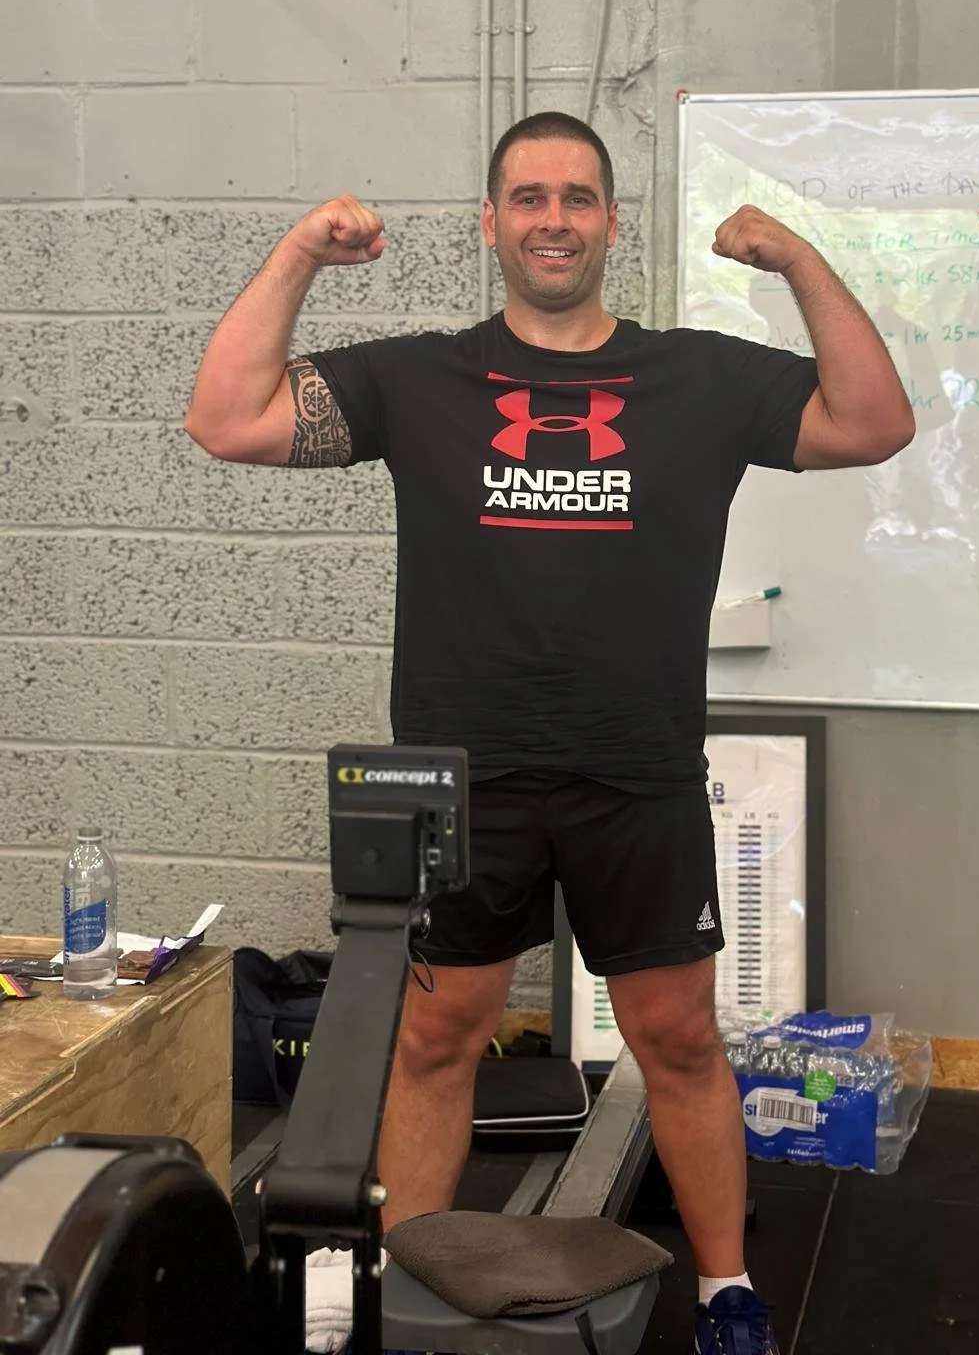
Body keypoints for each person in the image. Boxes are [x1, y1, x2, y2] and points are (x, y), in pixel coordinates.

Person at [185, 111, 915, 1355]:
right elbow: (227, 416)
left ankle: (727, 1292)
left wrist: (797, 259)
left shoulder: (699, 377)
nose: (554, 219)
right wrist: (302, 250)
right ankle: (411, 1281)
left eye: (578, 197)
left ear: (613, 222)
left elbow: (875, 420)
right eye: (529, 198)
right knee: (436, 1034)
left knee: (677, 1037)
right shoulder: (421, 377)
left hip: (636, 770)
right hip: (462, 776)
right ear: (492, 223)